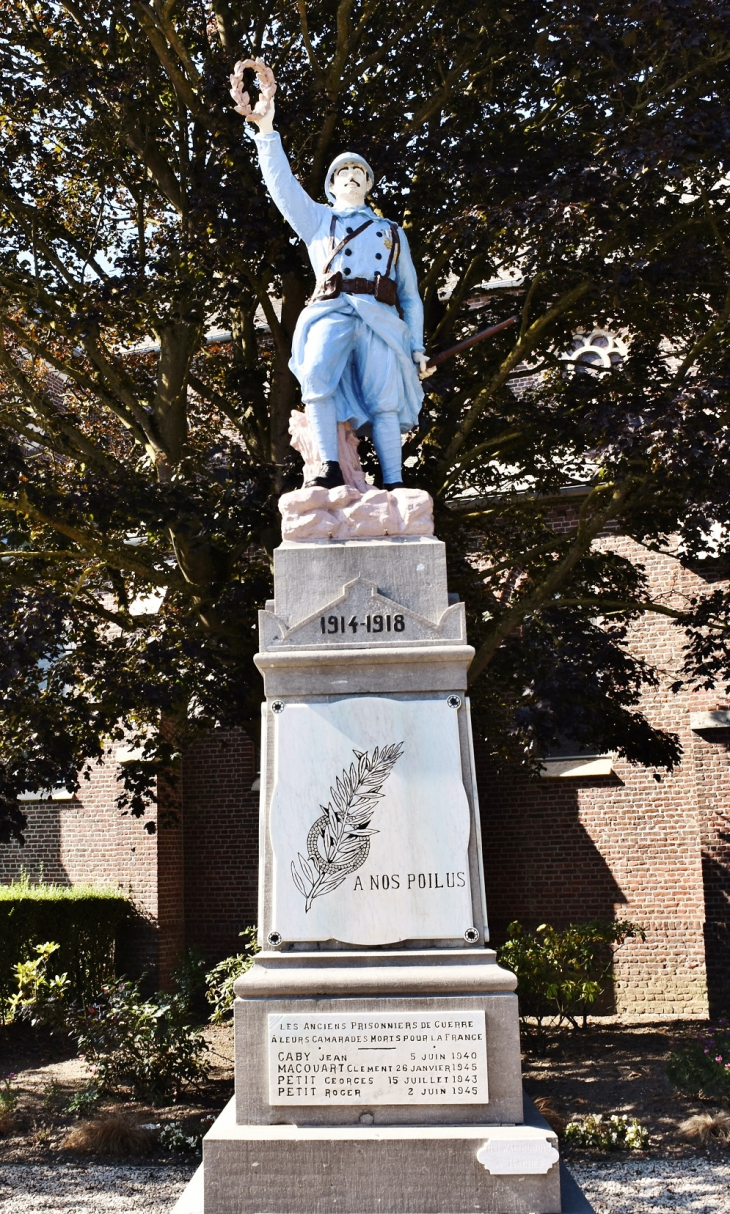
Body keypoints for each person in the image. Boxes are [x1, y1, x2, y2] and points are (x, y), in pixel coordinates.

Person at [241, 75, 433, 490]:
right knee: (315, 378)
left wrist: (417, 347)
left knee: (385, 399)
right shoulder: (317, 220)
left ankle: (395, 482)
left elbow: (411, 297)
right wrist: (267, 132)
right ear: (330, 185)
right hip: (331, 308)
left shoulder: (392, 232)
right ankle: (328, 468)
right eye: (342, 171)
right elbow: (282, 187)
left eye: (358, 171)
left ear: (368, 183)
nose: (350, 175)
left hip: (380, 316)